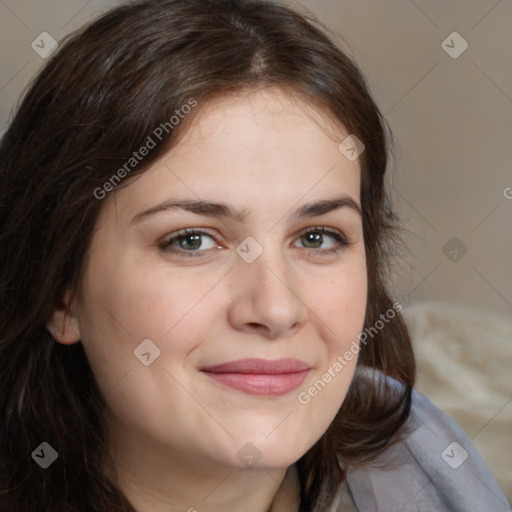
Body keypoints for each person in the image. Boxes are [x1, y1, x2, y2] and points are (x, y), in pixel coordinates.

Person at [0, 0, 509, 511]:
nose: (275, 309)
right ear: (61, 294)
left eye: (317, 238)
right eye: (192, 240)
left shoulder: (426, 463)